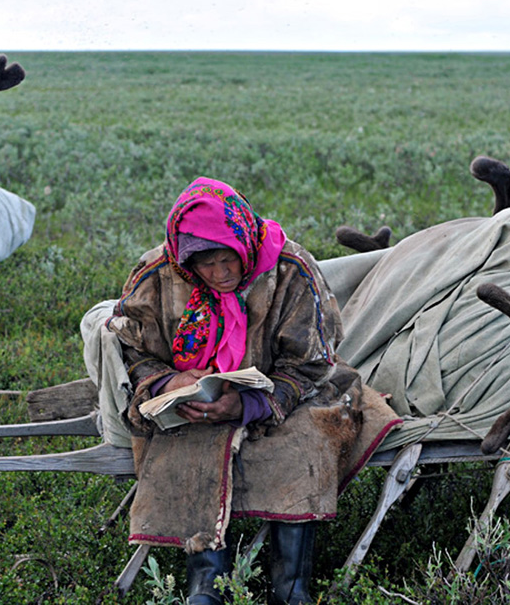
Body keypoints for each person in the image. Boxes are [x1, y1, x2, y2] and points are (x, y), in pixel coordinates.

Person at [101, 177, 400, 604]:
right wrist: (171, 382)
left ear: (245, 244)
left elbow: (311, 362)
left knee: (304, 445)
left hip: (287, 393)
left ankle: (290, 587)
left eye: (228, 260)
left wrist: (251, 402)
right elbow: (130, 348)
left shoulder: (291, 270)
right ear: (186, 260)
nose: (220, 274)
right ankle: (206, 584)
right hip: (195, 403)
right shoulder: (159, 276)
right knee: (187, 446)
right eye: (206, 265)